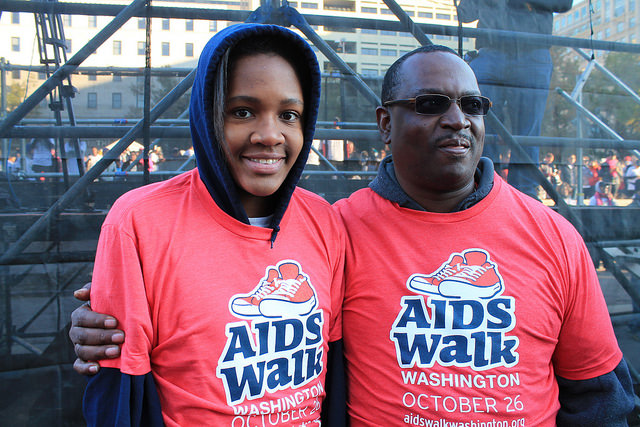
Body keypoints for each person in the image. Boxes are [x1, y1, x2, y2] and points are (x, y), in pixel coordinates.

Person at [71, 45, 635, 425]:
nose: (457, 119)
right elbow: (230, 279)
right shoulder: (335, 227)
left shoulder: (553, 235)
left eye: (472, 105)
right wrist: (110, 322)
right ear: (385, 124)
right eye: (432, 104)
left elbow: (600, 396)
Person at [79, 23, 345, 426]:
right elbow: (121, 391)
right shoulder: (139, 222)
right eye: (243, 111)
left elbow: (338, 375)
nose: (270, 135)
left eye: (289, 115)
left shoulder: (324, 221)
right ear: (206, 114)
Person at [457, 0, 573, 199]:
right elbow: (465, 13)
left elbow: (563, 3)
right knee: (482, 124)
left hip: (527, 52)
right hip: (497, 51)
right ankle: (487, 188)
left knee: (524, 130)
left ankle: (521, 195)